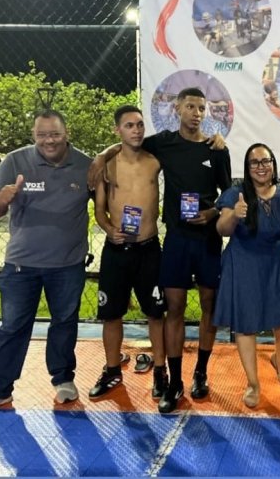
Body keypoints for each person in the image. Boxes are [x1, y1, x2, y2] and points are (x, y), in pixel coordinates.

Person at [89, 87, 230, 414]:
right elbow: (127, 142)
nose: (196, 112)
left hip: (208, 240)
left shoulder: (217, 149)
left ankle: (201, 373)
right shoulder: (161, 144)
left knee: (209, 304)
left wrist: (211, 214)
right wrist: (100, 156)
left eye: (201, 107)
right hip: (177, 240)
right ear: (178, 109)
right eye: (190, 106)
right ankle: (174, 381)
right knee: (174, 308)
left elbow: (227, 194)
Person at [0, 109, 92, 418]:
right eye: (42, 135)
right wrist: (1, 199)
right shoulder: (15, 161)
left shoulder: (87, 165)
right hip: (21, 265)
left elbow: (106, 199)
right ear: (34, 136)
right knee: (12, 328)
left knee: (65, 323)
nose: (49, 141)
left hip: (68, 264)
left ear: (67, 133)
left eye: (55, 134)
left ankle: (63, 380)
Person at [88, 105, 167, 401]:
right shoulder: (106, 167)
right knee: (111, 315)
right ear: (117, 130)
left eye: (140, 125)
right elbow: (98, 209)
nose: (136, 130)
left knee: (155, 313)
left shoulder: (155, 160)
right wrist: (110, 229)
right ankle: (112, 370)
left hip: (149, 250)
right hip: (117, 250)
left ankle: (160, 370)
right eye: (129, 125)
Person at [214, 143, 280, 408]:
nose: (261, 167)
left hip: (276, 262)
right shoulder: (236, 194)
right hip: (243, 263)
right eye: (255, 162)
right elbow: (222, 230)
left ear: (273, 164)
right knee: (246, 323)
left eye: (266, 161)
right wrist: (235, 216)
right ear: (247, 168)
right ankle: (253, 383)